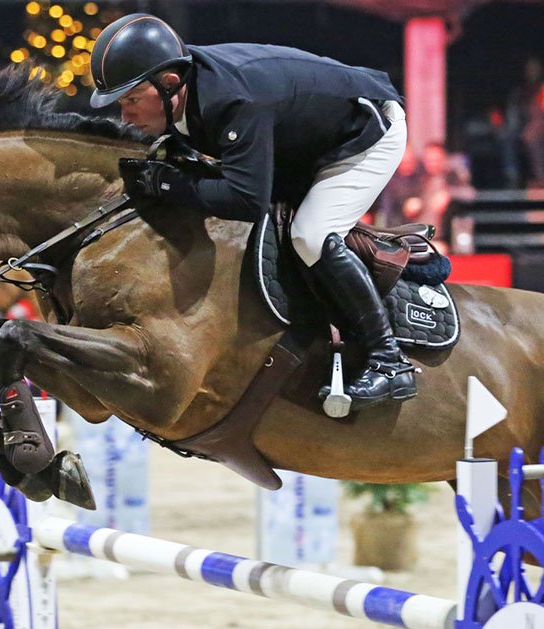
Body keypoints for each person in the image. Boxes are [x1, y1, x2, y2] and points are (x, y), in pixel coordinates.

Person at [90, 13, 413, 409]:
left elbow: (245, 201)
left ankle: (389, 360)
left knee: (309, 235)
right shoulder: (187, 86)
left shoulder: (234, 100)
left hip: (365, 136)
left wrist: (166, 183)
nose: (125, 116)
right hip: (307, 138)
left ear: (169, 84)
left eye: (132, 100)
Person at [502, 57, 544, 188]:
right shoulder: (520, 92)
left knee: (533, 138)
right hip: (522, 130)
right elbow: (513, 115)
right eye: (529, 69)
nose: (532, 72)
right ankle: (512, 177)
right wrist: (514, 129)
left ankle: (542, 179)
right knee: (505, 137)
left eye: (535, 69)